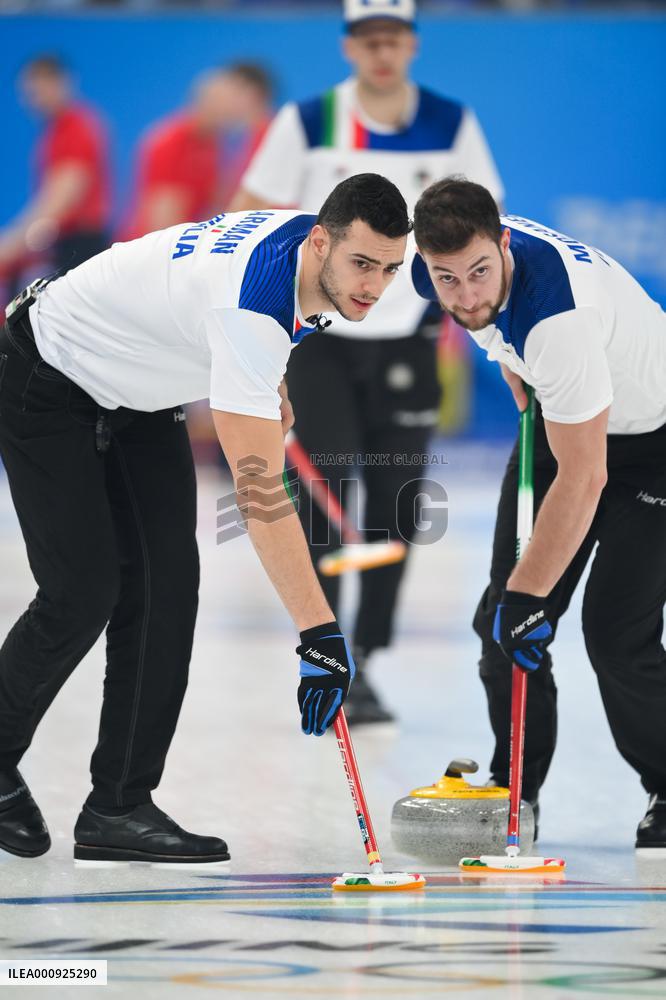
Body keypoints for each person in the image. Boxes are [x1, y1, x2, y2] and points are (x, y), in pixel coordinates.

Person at [0, 173, 410, 864]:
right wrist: (319, 633)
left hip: (140, 394)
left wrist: (264, 379)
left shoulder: (310, 250)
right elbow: (258, 494)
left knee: (166, 590)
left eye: (391, 269)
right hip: (48, 376)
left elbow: (224, 301)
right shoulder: (255, 306)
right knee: (84, 589)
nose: (374, 285)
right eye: (362, 264)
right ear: (321, 241)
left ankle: (118, 807)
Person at [231, 0, 504, 726]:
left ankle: (368, 659)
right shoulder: (309, 121)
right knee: (322, 503)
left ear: (412, 44)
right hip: (319, 344)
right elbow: (246, 218)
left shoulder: (452, 124)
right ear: (350, 47)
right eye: (367, 40)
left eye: (394, 39)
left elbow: (487, 228)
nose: (381, 52)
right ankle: (327, 648)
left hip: (409, 344)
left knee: (394, 505)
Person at [411, 177, 666, 848]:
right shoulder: (440, 267)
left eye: (478, 274)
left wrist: (530, 593)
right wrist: (509, 360)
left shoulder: (559, 320)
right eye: (447, 279)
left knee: (614, 633)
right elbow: (498, 335)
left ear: (505, 244)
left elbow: (586, 478)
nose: (466, 295)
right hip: (566, 419)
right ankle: (515, 792)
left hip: (654, 445)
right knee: (505, 624)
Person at [120, 63, 273, 242]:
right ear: (209, 102)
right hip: (156, 248)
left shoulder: (218, 144)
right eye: (231, 102)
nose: (237, 111)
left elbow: (219, 205)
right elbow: (162, 220)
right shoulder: (171, 142)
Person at [0, 55, 110, 287]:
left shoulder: (77, 128)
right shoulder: (56, 131)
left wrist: (15, 244)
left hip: (78, 247)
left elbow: (61, 201)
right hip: (66, 244)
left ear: (62, 83)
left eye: (38, 92)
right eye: (28, 94)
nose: (33, 101)